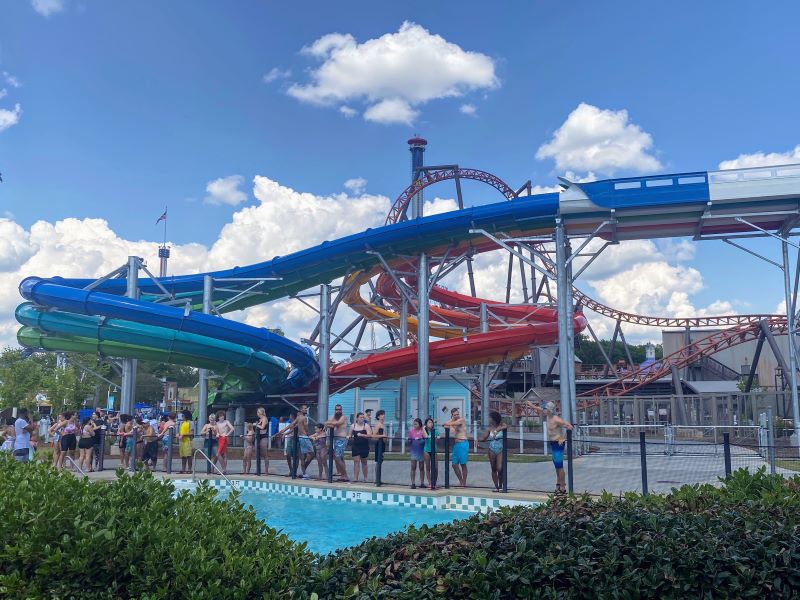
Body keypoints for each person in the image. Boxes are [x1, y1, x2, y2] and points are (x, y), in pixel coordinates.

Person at [530, 401, 573, 495]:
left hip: (558, 443)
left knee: (559, 466)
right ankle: (558, 484)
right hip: (552, 443)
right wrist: (531, 405)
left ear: (549, 410)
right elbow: (539, 409)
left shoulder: (556, 419)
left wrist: (563, 438)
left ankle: (563, 487)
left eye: (545, 409)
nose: (543, 411)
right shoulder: (548, 416)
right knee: (556, 466)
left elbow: (569, 426)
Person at [479, 411, 507, 492]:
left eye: (490, 418)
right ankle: (496, 487)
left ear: (495, 419)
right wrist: (477, 440)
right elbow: (484, 438)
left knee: (500, 468)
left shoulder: (502, 425)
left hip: (500, 448)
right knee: (493, 468)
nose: (489, 419)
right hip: (491, 449)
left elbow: (506, 427)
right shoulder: (489, 428)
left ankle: (501, 485)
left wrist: (497, 430)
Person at [443, 407, 469, 487]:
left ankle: (463, 483)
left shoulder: (461, 420)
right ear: (452, 415)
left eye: (458, 414)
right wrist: (449, 422)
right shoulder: (453, 420)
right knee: (454, 464)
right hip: (456, 444)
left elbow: (449, 424)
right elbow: (446, 425)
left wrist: (448, 423)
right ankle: (460, 481)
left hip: (463, 443)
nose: (457, 415)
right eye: (455, 415)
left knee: (463, 464)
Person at [324, 404, 349, 482]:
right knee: (340, 458)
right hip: (335, 439)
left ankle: (345, 475)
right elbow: (326, 423)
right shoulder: (333, 417)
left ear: (341, 410)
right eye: (336, 409)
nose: (338, 411)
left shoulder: (343, 417)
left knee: (337, 457)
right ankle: (342, 475)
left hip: (341, 439)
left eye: (339, 410)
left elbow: (337, 423)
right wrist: (329, 423)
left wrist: (329, 423)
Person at [349, 412, 372, 483]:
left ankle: (365, 478)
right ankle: (355, 478)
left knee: (364, 462)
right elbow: (349, 435)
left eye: (363, 417)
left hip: (364, 445)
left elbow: (370, 435)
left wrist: (362, 434)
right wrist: (348, 437)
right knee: (356, 461)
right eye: (360, 417)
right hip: (356, 445)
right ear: (357, 418)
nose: (362, 419)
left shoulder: (366, 426)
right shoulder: (353, 426)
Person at [408, 418, 427, 489]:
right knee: (413, 467)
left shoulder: (423, 431)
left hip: (421, 452)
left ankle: (422, 483)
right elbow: (410, 441)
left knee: (422, 468)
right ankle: (413, 483)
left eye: (416, 424)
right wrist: (409, 440)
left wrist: (421, 439)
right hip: (414, 452)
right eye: (414, 424)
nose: (414, 425)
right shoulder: (412, 431)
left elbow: (425, 439)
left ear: (419, 424)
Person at [370, 410, 388, 486]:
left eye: (383, 414)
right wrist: (381, 436)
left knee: (380, 461)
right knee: (378, 462)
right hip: (379, 444)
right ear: (378, 416)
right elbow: (373, 435)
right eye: (381, 415)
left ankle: (378, 478)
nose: (383, 416)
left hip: (383, 444)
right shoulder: (378, 425)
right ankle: (376, 479)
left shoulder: (383, 424)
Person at [215, 410, 233, 475]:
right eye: (220, 416)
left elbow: (232, 428)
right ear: (218, 417)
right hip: (220, 438)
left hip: (224, 438)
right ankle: (224, 469)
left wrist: (227, 434)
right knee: (223, 454)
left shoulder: (226, 421)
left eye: (222, 416)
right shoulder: (217, 423)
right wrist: (217, 433)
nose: (222, 417)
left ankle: (223, 469)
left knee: (218, 454)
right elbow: (217, 430)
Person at [254, 407, 270, 475]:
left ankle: (266, 470)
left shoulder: (264, 418)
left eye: (258, 412)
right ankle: (258, 469)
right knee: (258, 454)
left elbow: (262, 427)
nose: (257, 414)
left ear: (260, 412)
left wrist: (256, 424)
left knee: (265, 454)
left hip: (263, 436)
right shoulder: (260, 419)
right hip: (258, 437)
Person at [423, 418, 438, 489]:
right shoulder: (424, 431)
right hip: (426, 450)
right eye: (429, 422)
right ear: (426, 424)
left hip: (434, 450)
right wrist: (423, 428)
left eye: (431, 422)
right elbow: (425, 436)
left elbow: (438, 437)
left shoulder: (435, 431)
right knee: (428, 467)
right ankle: (430, 483)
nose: (431, 424)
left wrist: (437, 437)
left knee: (435, 468)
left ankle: (434, 482)